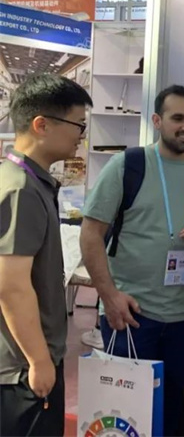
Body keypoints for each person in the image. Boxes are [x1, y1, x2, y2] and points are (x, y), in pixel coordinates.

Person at [80, 85, 184, 436]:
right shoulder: (128, 165)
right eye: (178, 118)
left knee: (172, 403)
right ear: (157, 121)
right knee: (125, 411)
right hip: (131, 313)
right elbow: (91, 234)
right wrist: (109, 296)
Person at [0, 75, 92, 436]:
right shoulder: (21, 189)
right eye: (78, 124)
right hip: (21, 369)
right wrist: (39, 360)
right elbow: (11, 286)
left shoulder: (26, 181)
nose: (81, 135)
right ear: (42, 125)